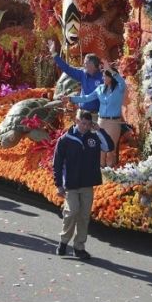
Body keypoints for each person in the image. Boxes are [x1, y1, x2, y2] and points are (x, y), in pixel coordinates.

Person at [52, 110, 114, 260]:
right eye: (83, 123)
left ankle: (79, 247)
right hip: (71, 184)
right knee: (72, 212)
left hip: (87, 183)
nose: (85, 127)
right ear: (76, 121)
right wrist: (59, 184)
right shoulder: (65, 139)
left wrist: (99, 130)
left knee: (84, 216)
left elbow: (108, 147)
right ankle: (64, 241)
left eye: (88, 124)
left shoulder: (93, 137)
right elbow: (57, 164)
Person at [68, 62, 125, 167]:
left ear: (111, 77)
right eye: (103, 75)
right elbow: (86, 98)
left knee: (110, 149)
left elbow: (122, 82)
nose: (102, 77)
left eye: (105, 76)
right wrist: (71, 99)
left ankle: (111, 174)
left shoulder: (119, 89)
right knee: (100, 148)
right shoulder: (100, 88)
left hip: (113, 122)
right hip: (101, 121)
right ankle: (101, 173)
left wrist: (111, 70)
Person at [48, 40, 103, 118]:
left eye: (85, 62)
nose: (83, 64)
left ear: (92, 64)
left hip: (95, 115)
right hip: (81, 113)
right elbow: (67, 69)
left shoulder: (103, 78)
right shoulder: (82, 74)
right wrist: (54, 54)